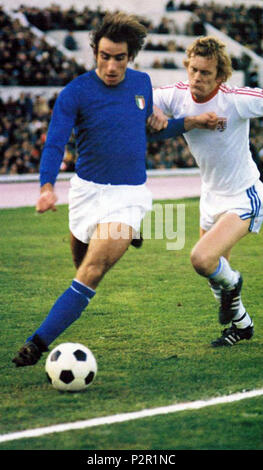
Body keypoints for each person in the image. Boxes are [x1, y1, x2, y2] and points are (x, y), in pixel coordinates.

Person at [12, 14, 218, 367]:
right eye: (104, 56)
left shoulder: (142, 84)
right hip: (86, 193)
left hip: (128, 195)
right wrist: (46, 186)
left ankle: (36, 343)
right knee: (81, 265)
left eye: (119, 57)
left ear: (130, 56)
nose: (111, 65)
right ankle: (125, 234)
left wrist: (189, 122)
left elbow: (151, 130)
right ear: (94, 52)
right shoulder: (75, 92)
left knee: (93, 270)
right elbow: (55, 142)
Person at [153, 36, 263, 347]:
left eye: (205, 73)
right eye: (193, 70)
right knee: (215, 274)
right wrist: (154, 112)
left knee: (202, 258)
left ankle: (235, 285)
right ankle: (242, 325)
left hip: (244, 195)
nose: (197, 79)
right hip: (210, 197)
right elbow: (140, 101)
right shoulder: (177, 95)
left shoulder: (235, 99)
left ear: (220, 76)